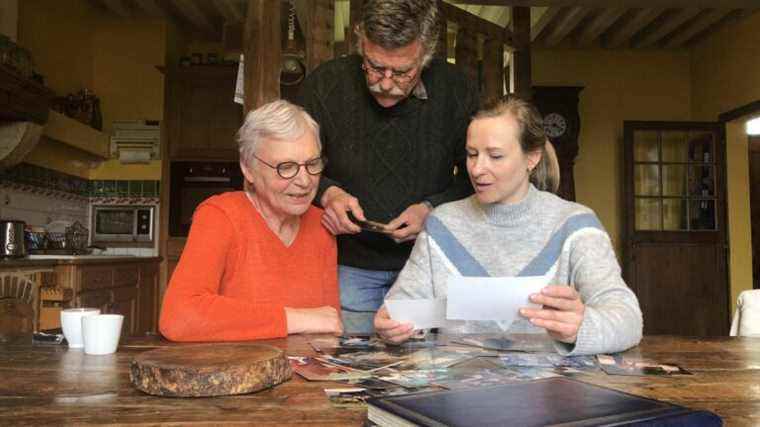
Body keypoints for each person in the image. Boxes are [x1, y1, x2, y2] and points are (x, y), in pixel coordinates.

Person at [374, 96, 643, 355]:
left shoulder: (576, 225)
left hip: (551, 394)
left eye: (495, 156)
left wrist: (581, 327)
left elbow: (628, 320)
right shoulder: (442, 223)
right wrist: (392, 324)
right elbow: (400, 308)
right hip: (454, 394)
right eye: (471, 154)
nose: (477, 169)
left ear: (532, 158)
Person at [297, 0, 478, 334]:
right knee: (351, 373)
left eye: (403, 72)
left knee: (423, 373)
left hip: (427, 264)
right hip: (348, 263)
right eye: (375, 66)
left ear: (425, 56)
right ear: (361, 43)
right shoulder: (325, 85)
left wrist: (432, 209)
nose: (385, 82)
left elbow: (477, 178)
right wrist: (328, 194)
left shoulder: (457, 89)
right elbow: (291, 166)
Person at [159, 100, 342, 342]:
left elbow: (329, 324)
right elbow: (179, 317)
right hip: (234, 374)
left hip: (303, 376)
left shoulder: (321, 225)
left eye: (312, 164)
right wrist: (295, 319)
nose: (305, 181)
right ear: (248, 169)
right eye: (285, 167)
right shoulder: (220, 216)